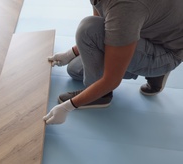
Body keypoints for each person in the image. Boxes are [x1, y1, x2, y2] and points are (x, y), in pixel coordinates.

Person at [43, 0, 183, 125]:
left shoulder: (125, 8)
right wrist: (69, 54)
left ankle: (102, 97)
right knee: (75, 69)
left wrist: (68, 107)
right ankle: (149, 70)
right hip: (146, 29)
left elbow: (111, 80)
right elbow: (101, 23)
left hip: (167, 52)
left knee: (87, 28)